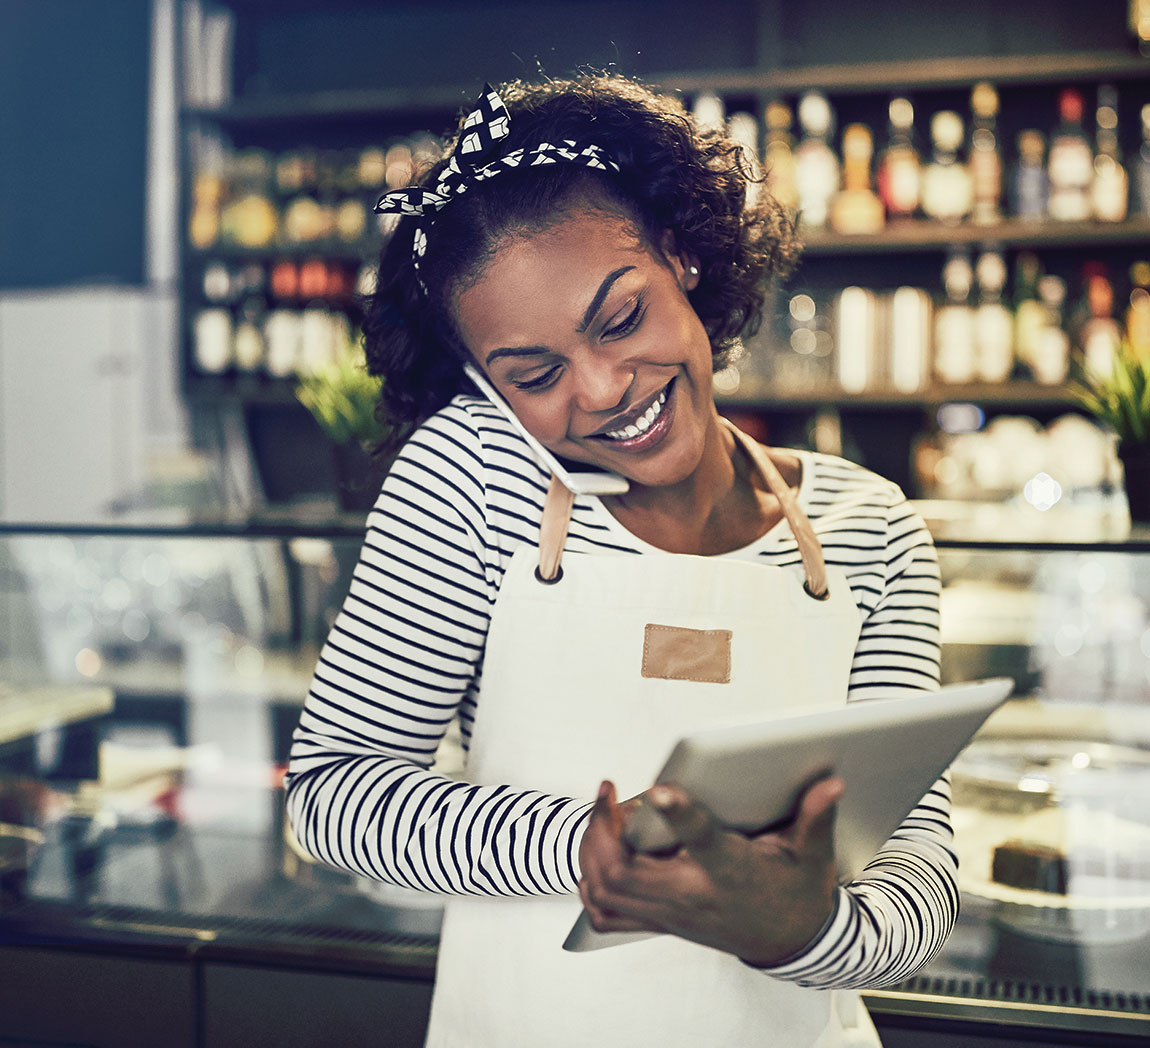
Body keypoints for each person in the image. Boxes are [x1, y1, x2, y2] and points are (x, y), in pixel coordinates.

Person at [285, 75, 954, 1048]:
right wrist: (587, 845)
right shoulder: (473, 479)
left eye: (620, 317)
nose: (602, 388)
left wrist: (800, 929)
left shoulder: (868, 528)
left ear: (682, 257)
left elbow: (920, 884)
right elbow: (335, 796)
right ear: (483, 383)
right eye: (535, 374)